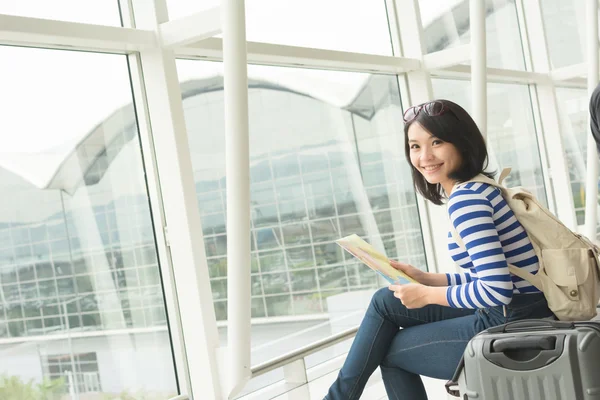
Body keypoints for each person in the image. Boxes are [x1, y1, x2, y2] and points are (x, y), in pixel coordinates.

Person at [324, 99, 555, 400]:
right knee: (385, 301)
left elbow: (497, 290)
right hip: (524, 307)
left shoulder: (466, 202)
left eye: (437, 142)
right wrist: (428, 279)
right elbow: (497, 276)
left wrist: (427, 295)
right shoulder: (481, 187)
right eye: (415, 146)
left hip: (508, 319)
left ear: (462, 143)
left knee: (390, 352)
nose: (425, 156)